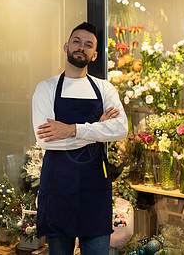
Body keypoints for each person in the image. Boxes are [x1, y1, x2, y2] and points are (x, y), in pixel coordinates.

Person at [32, 22, 128, 255]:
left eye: (88, 45)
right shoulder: (46, 88)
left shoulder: (105, 89)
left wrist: (72, 129)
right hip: (58, 186)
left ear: (94, 55)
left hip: (94, 186)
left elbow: (121, 129)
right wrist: (97, 130)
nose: (81, 47)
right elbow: (47, 140)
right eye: (77, 41)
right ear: (66, 46)